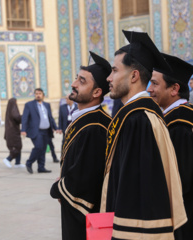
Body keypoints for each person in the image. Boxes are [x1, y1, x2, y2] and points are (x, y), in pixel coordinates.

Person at [101, 30, 186, 239]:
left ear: (133, 75)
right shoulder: (139, 114)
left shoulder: (137, 120)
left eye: (114, 71)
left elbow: (139, 196)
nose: (108, 78)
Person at [50, 51, 112, 240]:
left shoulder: (95, 127)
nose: (73, 84)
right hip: (75, 211)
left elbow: (84, 180)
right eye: (77, 78)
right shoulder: (88, 120)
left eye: (82, 81)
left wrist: (58, 188)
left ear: (97, 92)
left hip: (84, 216)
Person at [147, 53, 193, 240]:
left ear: (174, 89)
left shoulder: (180, 124)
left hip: (183, 218)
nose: (149, 89)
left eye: (155, 84)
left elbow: (180, 182)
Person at [21, 88, 58, 174]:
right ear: (35, 95)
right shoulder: (29, 105)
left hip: (46, 131)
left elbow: (50, 118)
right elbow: (25, 118)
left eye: (40, 93)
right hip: (36, 131)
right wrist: (23, 129)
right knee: (38, 147)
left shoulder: (47, 105)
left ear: (43, 95)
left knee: (43, 149)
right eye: (36, 93)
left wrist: (56, 128)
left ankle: (41, 167)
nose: (38, 95)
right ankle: (29, 162)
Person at [3, 98, 25, 168]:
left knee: (18, 146)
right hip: (13, 132)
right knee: (17, 146)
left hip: (12, 131)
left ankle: (17, 163)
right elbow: (17, 117)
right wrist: (25, 116)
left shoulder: (9, 110)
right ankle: (8, 159)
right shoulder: (13, 108)